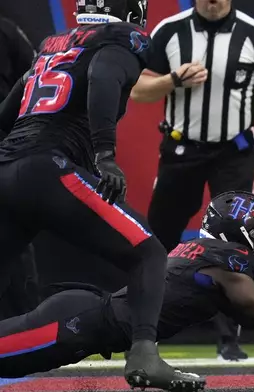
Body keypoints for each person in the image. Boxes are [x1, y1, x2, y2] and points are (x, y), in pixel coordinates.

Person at [0, 0, 204, 389]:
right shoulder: (120, 39)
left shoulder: (53, 46)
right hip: (49, 167)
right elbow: (105, 75)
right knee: (148, 252)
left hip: (8, 170)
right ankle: (144, 355)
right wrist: (104, 154)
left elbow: (7, 114)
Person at [0, 191, 254, 380]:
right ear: (246, 235)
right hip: (77, 323)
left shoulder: (198, 254)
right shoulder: (224, 269)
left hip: (83, 319)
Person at [130, 0, 254, 359]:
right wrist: (172, 80)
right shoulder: (170, 31)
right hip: (180, 149)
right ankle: (145, 332)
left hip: (233, 152)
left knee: (233, 246)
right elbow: (137, 90)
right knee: (159, 240)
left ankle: (228, 338)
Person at [0, 16, 40, 320]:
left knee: (12, 232)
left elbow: (36, 76)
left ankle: (23, 321)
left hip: (5, 146)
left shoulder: (7, 32)